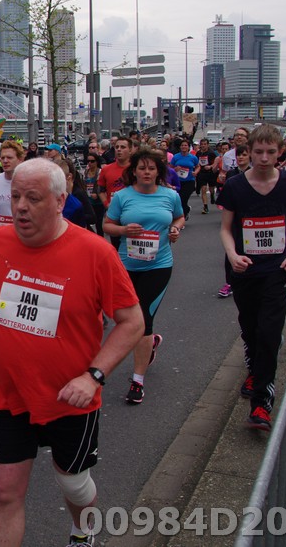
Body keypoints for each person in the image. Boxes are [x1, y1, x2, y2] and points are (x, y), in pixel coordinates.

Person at [0, 159, 143, 547]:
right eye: (15, 197)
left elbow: (132, 322)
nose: (20, 207)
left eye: (33, 198)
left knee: (73, 483)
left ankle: (82, 530)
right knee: (4, 493)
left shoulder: (95, 253)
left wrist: (93, 376)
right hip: (9, 394)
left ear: (60, 201)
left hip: (70, 398)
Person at [218, 124, 286, 431]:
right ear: (249, 152)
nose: (264, 158)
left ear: (280, 152)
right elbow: (226, 228)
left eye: (271, 152)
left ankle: (261, 404)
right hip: (244, 270)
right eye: (258, 152)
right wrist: (233, 255)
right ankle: (254, 369)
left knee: (269, 333)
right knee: (251, 328)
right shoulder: (235, 185)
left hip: (277, 270)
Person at [103, 148, 184, 404]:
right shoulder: (122, 196)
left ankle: (137, 381)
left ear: (159, 171)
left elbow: (179, 217)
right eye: (142, 168)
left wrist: (175, 229)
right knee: (125, 318)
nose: (146, 172)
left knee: (144, 320)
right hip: (126, 267)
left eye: (151, 168)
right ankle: (151, 343)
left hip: (158, 266)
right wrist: (124, 230)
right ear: (134, 171)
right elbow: (107, 225)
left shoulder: (170, 195)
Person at [216, 144, 251, 299]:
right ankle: (229, 282)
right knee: (231, 248)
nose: (241, 157)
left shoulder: (254, 173)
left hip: (250, 217)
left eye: (244, 155)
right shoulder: (231, 173)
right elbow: (225, 191)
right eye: (239, 155)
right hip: (234, 216)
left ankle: (248, 278)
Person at [0, 140, 25, 235]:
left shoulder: (28, 182)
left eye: (9, 157)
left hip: (22, 235)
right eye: (2, 158)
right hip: (1, 235)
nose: (5, 161)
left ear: (20, 160)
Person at [170, 139, 200, 220]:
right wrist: (175, 169)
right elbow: (170, 168)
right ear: (180, 147)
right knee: (179, 199)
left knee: (183, 198)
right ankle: (186, 210)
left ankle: (182, 217)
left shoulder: (193, 157)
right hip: (178, 181)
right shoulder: (176, 157)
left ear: (188, 147)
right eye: (182, 145)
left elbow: (198, 166)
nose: (184, 147)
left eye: (185, 145)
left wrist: (195, 172)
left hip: (189, 181)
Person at [83, 153, 105, 235]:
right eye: (88, 161)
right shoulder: (86, 172)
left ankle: (100, 239)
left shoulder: (100, 172)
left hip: (98, 202)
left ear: (97, 162)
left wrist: (97, 193)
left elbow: (102, 185)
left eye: (92, 161)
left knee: (99, 223)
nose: (90, 163)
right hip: (89, 201)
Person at [195, 138, 218, 214]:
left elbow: (215, 163)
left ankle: (212, 194)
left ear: (208, 145)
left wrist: (210, 166)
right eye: (202, 144)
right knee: (203, 189)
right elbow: (196, 163)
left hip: (210, 173)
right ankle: (205, 207)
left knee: (211, 188)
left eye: (205, 144)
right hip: (202, 173)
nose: (203, 146)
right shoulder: (198, 153)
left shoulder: (211, 153)